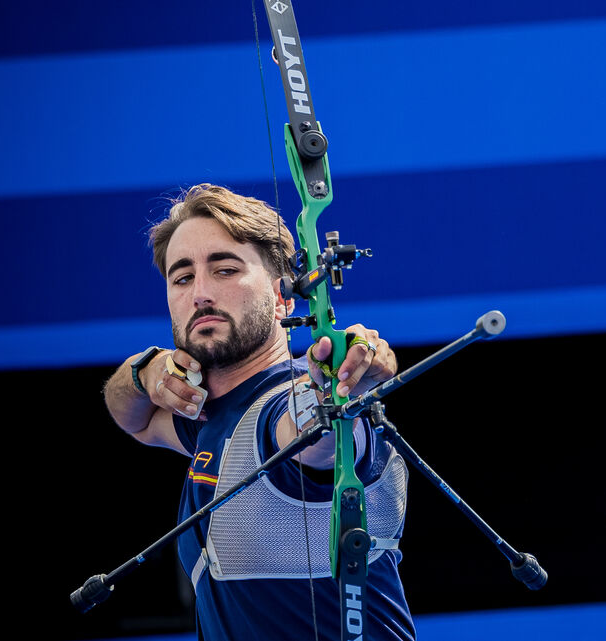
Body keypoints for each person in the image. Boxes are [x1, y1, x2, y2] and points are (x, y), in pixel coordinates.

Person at [103, 184, 415, 640]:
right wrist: (144, 372)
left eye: (225, 270)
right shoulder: (209, 413)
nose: (201, 294)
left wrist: (334, 389)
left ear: (283, 299)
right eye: (182, 277)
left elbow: (310, 439)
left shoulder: (277, 408)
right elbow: (135, 421)